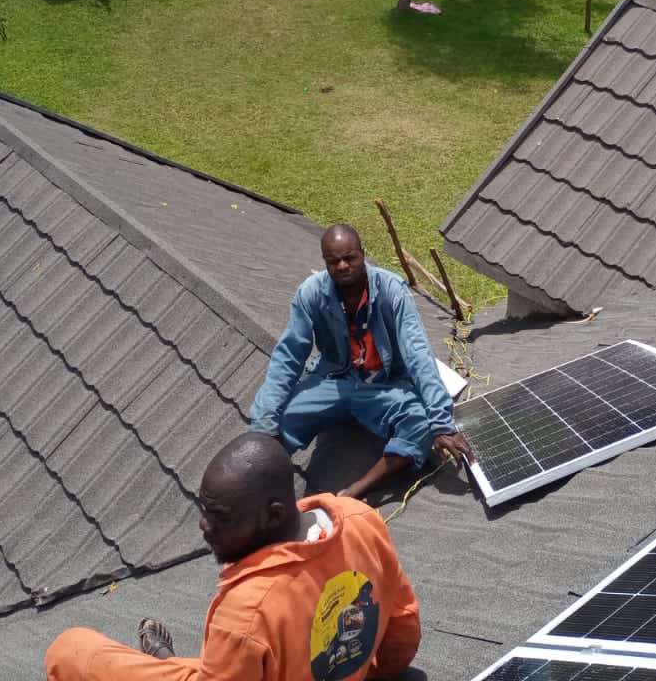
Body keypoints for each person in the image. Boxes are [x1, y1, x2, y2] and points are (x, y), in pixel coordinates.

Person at [45, 432, 422, 681]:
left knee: (70, 649)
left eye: (220, 518)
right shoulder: (361, 521)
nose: (204, 526)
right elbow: (403, 624)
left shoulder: (246, 613)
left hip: (236, 660)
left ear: (273, 515)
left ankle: (167, 661)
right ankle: (170, 662)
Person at [250, 224, 474, 498]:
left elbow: (417, 353)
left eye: (350, 258)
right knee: (273, 426)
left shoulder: (392, 290)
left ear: (363, 255)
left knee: (420, 422)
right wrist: (265, 423)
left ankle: (356, 491)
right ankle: (260, 492)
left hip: (384, 383)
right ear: (325, 263)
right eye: (334, 261)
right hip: (335, 379)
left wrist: (441, 422)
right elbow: (288, 356)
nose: (343, 266)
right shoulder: (311, 294)